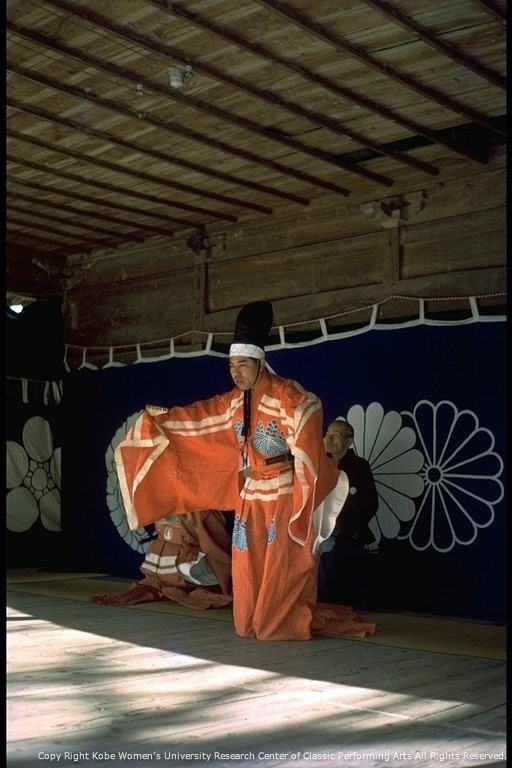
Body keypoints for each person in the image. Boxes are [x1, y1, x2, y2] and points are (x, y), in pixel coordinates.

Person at [114, 301, 375, 640]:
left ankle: (276, 620)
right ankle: (251, 618)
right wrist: (164, 418)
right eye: (231, 365)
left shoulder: (283, 392)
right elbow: (201, 416)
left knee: (278, 562)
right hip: (251, 492)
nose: (236, 372)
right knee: (246, 562)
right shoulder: (234, 401)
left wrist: (296, 428)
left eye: (242, 365)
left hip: (281, 490)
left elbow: (309, 405)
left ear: (260, 363)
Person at [91, 510, 234, 609]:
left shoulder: (203, 512)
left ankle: (209, 585)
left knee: (186, 568)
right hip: (171, 563)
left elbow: (213, 547)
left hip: (194, 561)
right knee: (158, 567)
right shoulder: (164, 506)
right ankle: (176, 582)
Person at [318, 419, 379, 604]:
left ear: (349, 441)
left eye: (335, 436)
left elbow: (370, 504)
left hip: (344, 532)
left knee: (336, 558)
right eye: (327, 435)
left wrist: (340, 527)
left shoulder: (359, 467)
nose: (329, 439)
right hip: (317, 529)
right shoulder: (319, 463)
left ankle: (333, 607)